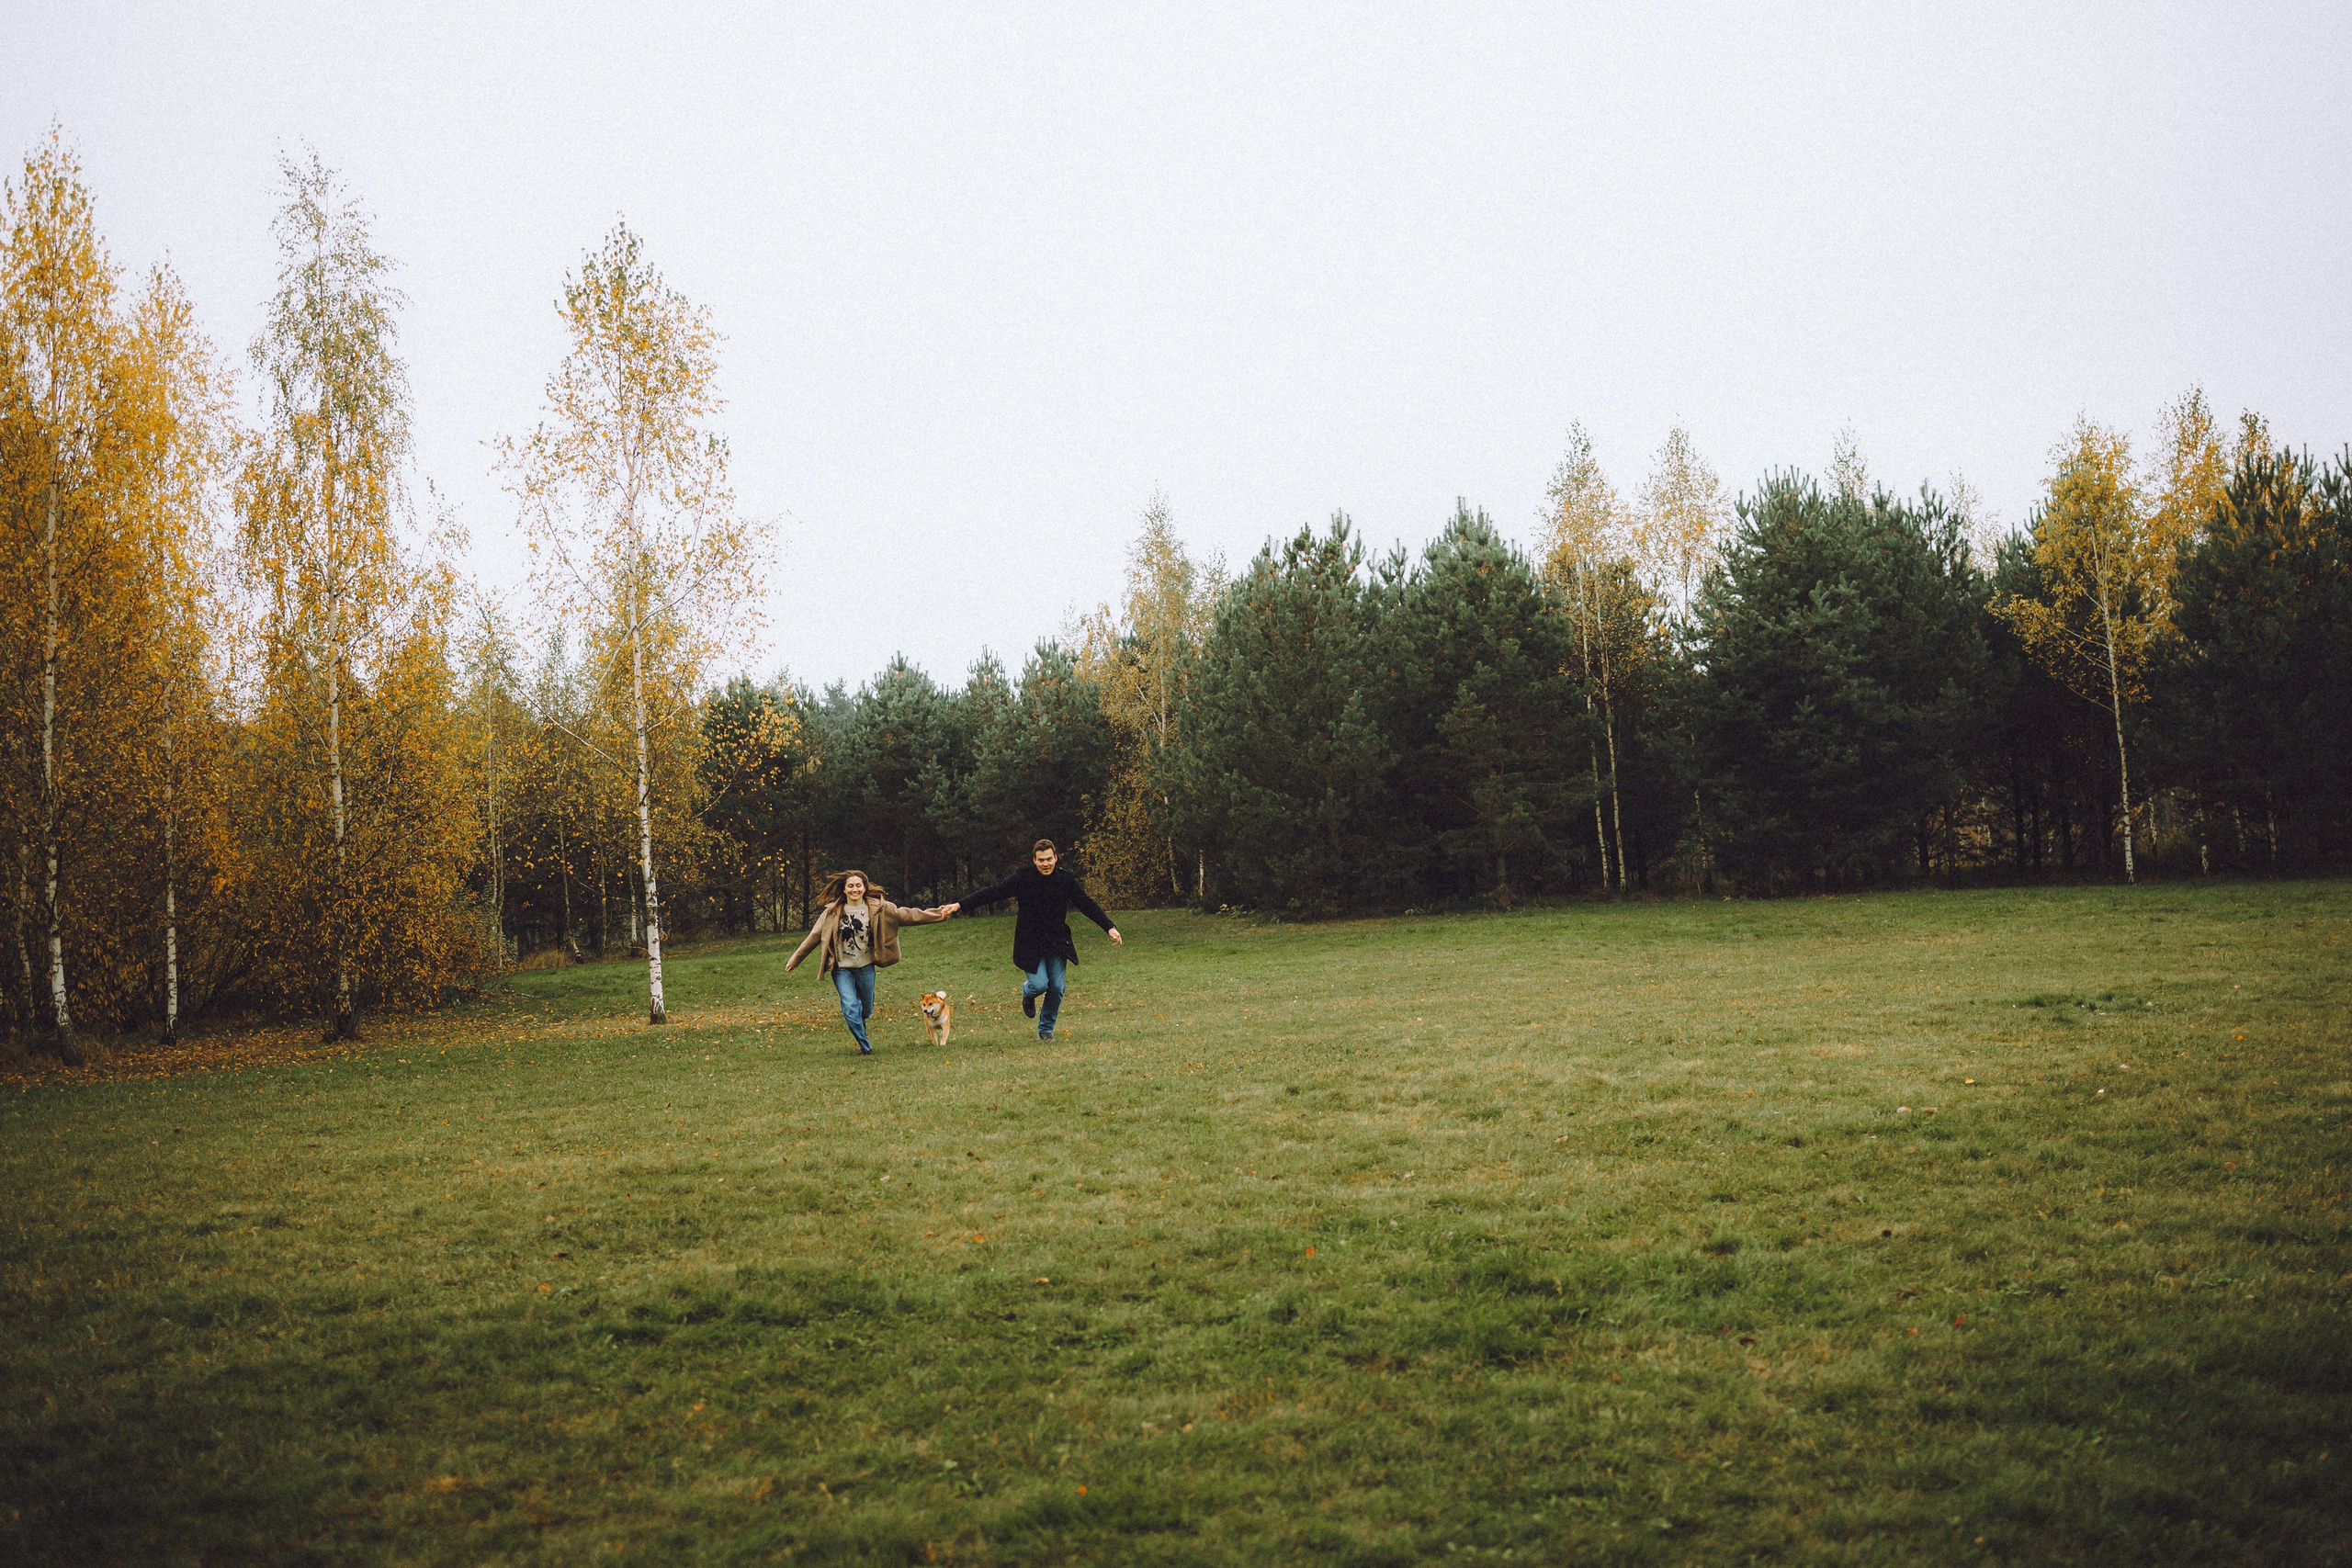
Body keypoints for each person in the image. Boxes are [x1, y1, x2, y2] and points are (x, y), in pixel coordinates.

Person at [938, 839, 1121, 1042]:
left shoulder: (1065, 880)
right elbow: (993, 892)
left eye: (1049, 859)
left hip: (1057, 942)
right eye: (1041, 860)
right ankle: (1028, 993)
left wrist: (1109, 927)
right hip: (1030, 943)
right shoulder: (1023, 878)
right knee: (1039, 985)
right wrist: (959, 905)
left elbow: (1087, 904)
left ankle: (1045, 1029)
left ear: (1055, 858)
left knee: (1057, 988)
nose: (1046, 864)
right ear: (1034, 860)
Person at [784, 870, 950, 1055]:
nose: (854, 889)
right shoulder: (832, 912)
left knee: (865, 1008)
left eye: (858, 885)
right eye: (850, 886)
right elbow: (814, 936)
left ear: (864, 888)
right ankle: (865, 1047)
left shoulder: (880, 908)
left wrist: (939, 914)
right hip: (841, 968)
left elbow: (910, 915)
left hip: (865, 966)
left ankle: (858, 1021)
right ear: (844, 889)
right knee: (850, 1006)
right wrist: (795, 959)